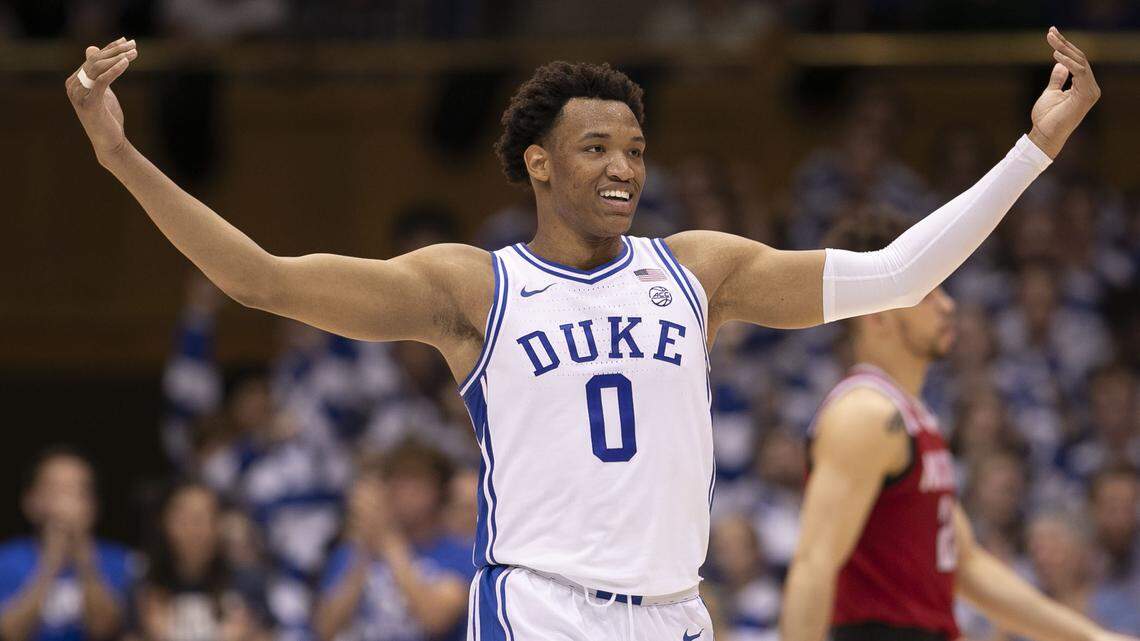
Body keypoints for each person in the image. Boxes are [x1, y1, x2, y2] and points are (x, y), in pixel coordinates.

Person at [65, 26, 1098, 639]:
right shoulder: (473, 284)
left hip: (675, 608)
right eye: (594, 145)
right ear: (537, 164)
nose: (622, 167)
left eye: (636, 148)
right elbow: (260, 280)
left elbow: (895, 273)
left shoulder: (695, 269)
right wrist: (120, 159)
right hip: (546, 606)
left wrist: (1031, 150)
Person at [779, 214, 1137, 641]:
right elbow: (813, 564)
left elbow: (966, 565)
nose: (948, 305)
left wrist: (1090, 637)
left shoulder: (909, 414)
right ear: (877, 312)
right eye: (928, 290)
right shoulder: (865, 415)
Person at [314, 441, 471, 641]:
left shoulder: (459, 552)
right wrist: (362, 557)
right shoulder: (352, 552)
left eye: (416, 481)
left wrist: (391, 544)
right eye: (397, 481)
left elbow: (435, 619)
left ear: (439, 491)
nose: (404, 492)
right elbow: (325, 629)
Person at [0, 448, 132, 641]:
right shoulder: (8, 559)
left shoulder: (119, 559)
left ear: (93, 505)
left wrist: (85, 560)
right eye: (56, 490)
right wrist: (49, 564)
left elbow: (105, 630)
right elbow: (10, 633)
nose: (67, 501)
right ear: (30, 502)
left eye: (78, 490)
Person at [131, 482, 270, 641]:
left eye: (202, 518)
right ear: (164, 523)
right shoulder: (145, 588)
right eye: (184, 518)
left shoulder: (248, 582)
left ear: (218, 524)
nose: (193, 529)